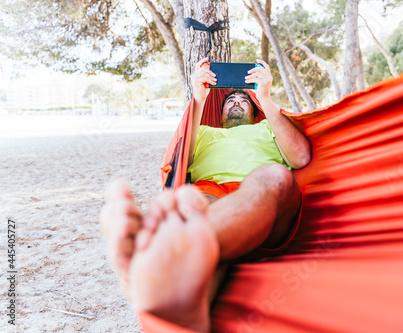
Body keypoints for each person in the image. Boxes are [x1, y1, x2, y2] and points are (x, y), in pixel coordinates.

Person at [99, 58, 312, 332]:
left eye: (243, 99)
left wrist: (266, 99)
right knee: (192, 202)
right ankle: (177, 311)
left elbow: (301, 157)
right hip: (210, 195)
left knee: (273, 177)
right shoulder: (204, 132)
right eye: (229, 99)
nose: (235, 101)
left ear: (255, 109)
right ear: (220, 112)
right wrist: (198, 99)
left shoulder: (268, 126)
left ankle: (167, 259)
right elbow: (177, 166)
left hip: (264, 198)